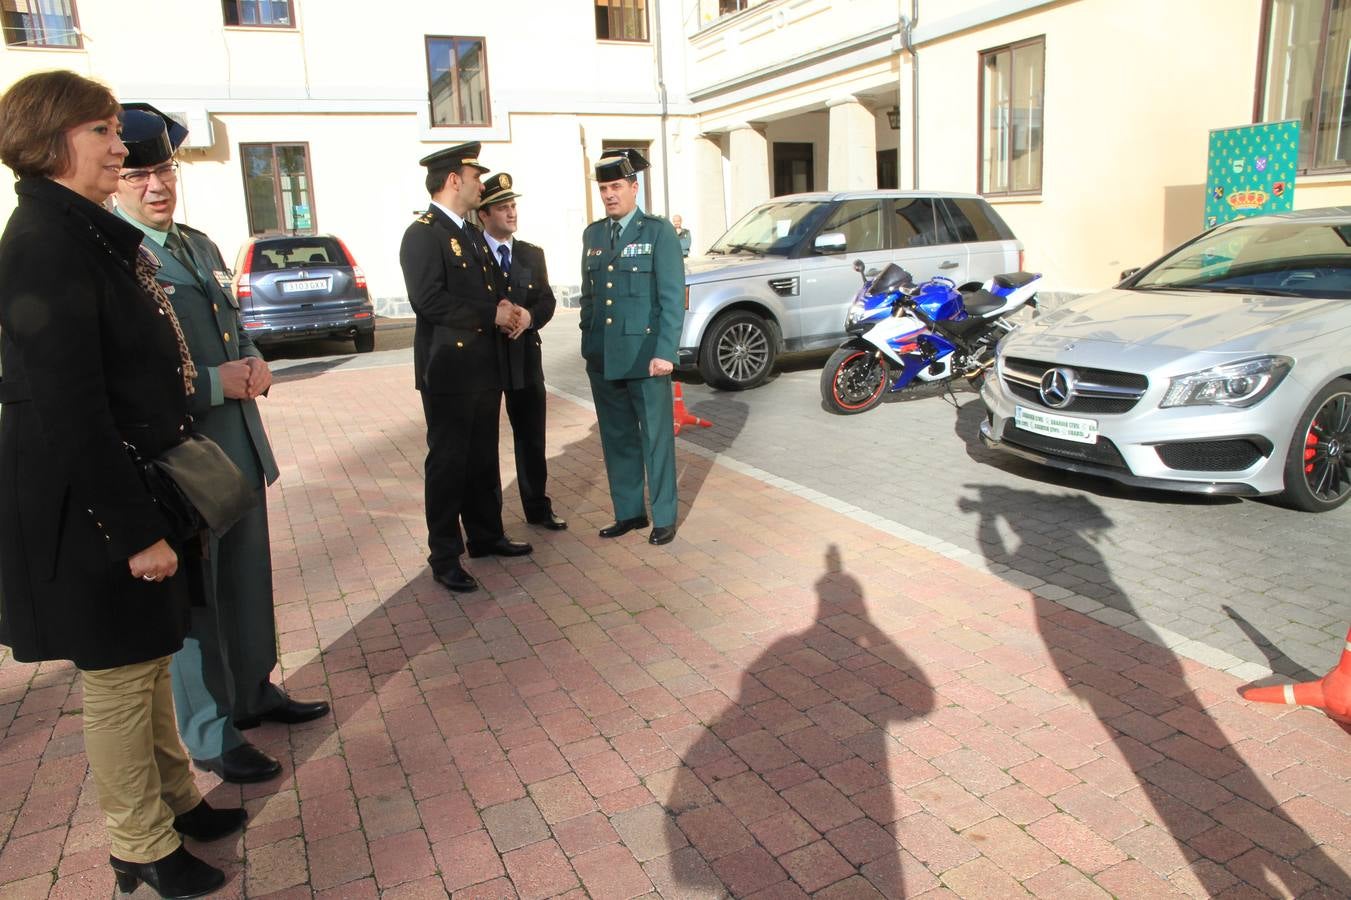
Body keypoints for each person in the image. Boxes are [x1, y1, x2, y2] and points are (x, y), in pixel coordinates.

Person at [0, 71, 241, 899]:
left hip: (131, 486)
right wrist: (135, 531)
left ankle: (175, 802)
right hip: (96, 508)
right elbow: (71, 408)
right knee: (115, 679)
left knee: (146, 659)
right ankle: (140, 842)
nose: (119, 147)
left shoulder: (83, 232)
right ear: (55, 137)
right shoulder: (43, 240)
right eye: (103, 131)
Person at [112, 105, 329, 786]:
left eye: (163, 169)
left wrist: (256, 358)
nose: (155, 185)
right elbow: (123, 374)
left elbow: (231, 329)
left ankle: (254, 692)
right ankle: (208, 730)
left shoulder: (197, 245)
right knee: (196, 604)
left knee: (245, 585)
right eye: (138, 172)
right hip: (183, 461)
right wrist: (213, 382)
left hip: (237, 449)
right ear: (115, 180)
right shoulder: (117, 258)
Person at [400, 142, 531, 593]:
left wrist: (509, 308)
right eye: (476, 176)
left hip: (482, 367)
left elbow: (489, 289)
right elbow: (429, 300)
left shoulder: (473, 235)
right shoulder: (423, 233)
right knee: (449, 464)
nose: (481, 184)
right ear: (454, 179)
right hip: (448, 370)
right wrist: (489, 314)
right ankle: (444, 555)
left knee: (482, 459)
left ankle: (485, 535)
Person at [578, 148, 685, 545]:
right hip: (604, 356)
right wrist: (588, 343)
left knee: (655, 439)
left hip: (647, 357)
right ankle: (629, 512)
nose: (609, 195)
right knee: (617, 437)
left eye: (616, 186)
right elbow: (591, 298)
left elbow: (672, 299)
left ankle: (664, 516)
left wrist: (666, 352)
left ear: (634, 188)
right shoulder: (593, 234)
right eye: (604, 188)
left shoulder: (658, 232)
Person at [476, 172, 566, 531]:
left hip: (525, 358)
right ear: (483, 214)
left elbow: (546, 299)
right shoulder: (473, 252)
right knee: (483, 444)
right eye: (502, 207)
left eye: (513, 206)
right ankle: (489, 520)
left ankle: (537, 508)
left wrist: (528, 317)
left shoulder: (531, 253)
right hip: (485, 359)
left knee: (532, 437)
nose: (511, 213)